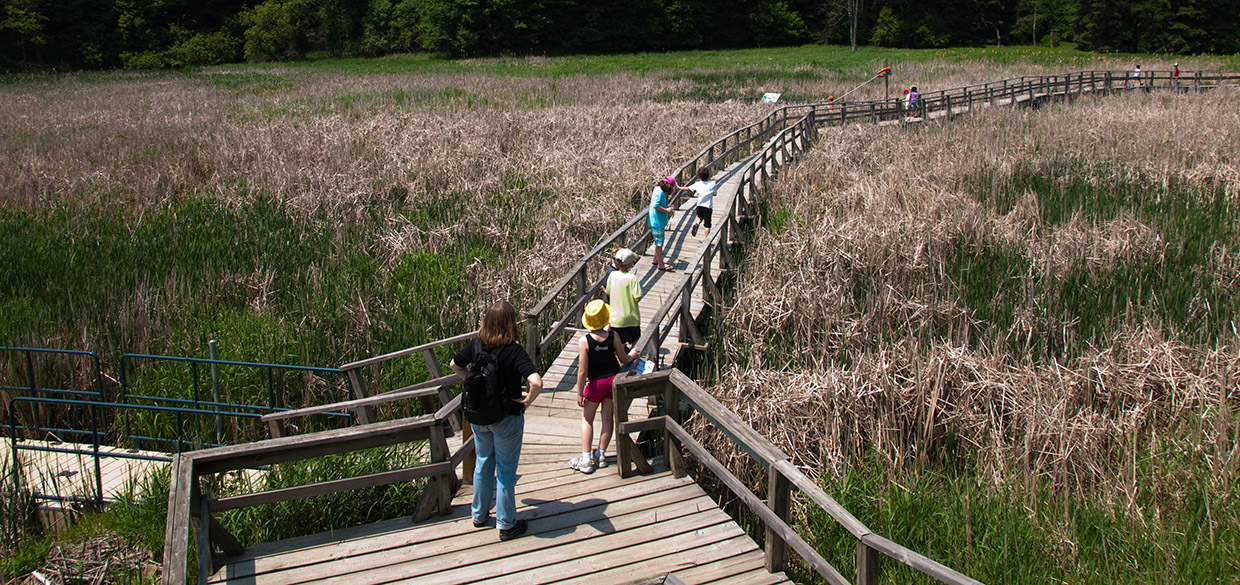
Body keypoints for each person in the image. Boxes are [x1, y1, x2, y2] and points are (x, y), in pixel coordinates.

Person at [449, 300, 543, 541]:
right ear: (511, 324)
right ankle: (506, 524)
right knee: (505, 471)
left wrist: (469, 382)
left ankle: (479, 515)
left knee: (483, 462)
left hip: (478, 416)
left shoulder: (476, 345)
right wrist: (527, 401)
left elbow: (454, 364)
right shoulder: (514, 350)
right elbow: (536, 382)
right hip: (506, 416)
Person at [570, 300, 639, 474]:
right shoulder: (614, 337)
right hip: (612, 381)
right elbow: (623, 359)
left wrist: (579, 392)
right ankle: (600, 455)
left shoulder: (584, 341)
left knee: (587, 418)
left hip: (595, 383)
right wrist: (632, 355)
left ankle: (586, 458)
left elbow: (582, 370)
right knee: (608, 418)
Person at [606, 248, 643, 349]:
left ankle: (620, 360)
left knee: (620, 343)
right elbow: (637, 298)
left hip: (615, 319)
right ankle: (632, 359)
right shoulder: (632, 278)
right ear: (629, 263)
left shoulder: (612, 275)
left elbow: (608, 292)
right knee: (636, 339)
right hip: (631, 318)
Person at [676, 167, 717, 238]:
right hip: (707, 207)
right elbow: (715, 194)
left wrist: (679, 187)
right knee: (707, 225)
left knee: (700, 216)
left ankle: (697, 223)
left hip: (699, 206)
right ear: (708, 175)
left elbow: (688, 188)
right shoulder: (712, 184)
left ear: (699, 176)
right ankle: (706, 242)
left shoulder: (698, 184)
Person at [648, 178, 676, 271]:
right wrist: (667, 210)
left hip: (655, 220)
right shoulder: (660, 192)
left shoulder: (657, 189)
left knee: (657, 241)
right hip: (657, 221)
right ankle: (661, 264)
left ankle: (656, 259)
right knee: (659, 243)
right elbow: (656, 206)